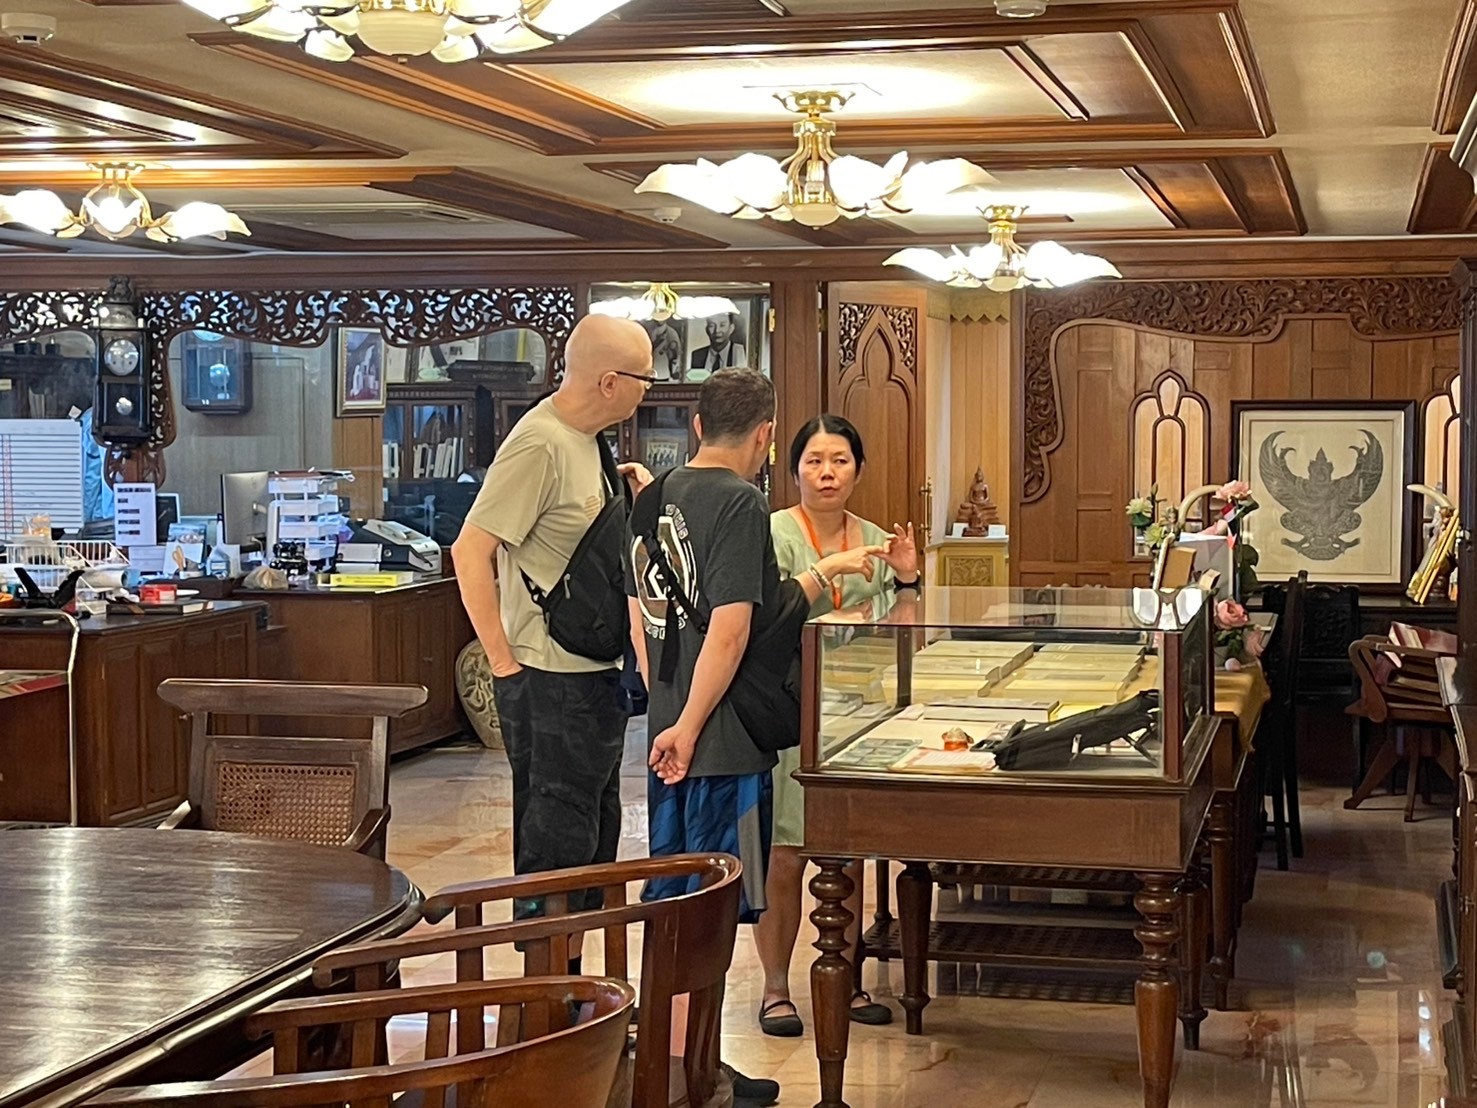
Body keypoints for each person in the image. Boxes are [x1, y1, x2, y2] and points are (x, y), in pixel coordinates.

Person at [626, 373, 885, 1107]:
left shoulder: (650, 496)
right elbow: (735, 628)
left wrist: (666, 708)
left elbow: (639, 613)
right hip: (718, 739)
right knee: (707, 909)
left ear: (697, 424)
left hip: (667, 731)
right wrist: (691, 724)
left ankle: (683, 1060)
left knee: (673, 899)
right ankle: (686, 1073)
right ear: (768, 435)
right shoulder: (740, 502)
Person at [451, 313, 654, 934]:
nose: (649, 390)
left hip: (593, 673)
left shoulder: (589, 439)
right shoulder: (538, 442)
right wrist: (504, 663)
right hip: (547, 679)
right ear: (611, 382)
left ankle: (579, 981)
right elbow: (469, 551)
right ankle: (547, 981)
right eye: (645, 378)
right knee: (554, 850)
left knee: (593, 840)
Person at [752, 413, 920, 1038]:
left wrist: (907, 578)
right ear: (793, 469)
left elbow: (905, 631)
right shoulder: (769, 535)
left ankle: (843, 981)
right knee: (786, 854)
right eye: (815, 461)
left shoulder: (877, 539)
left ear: (859, 469)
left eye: (840, 460)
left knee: (845, 856)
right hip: (788, 715)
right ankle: (776, 988)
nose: (827, 472)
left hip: (859, 715)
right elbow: (761, 628)